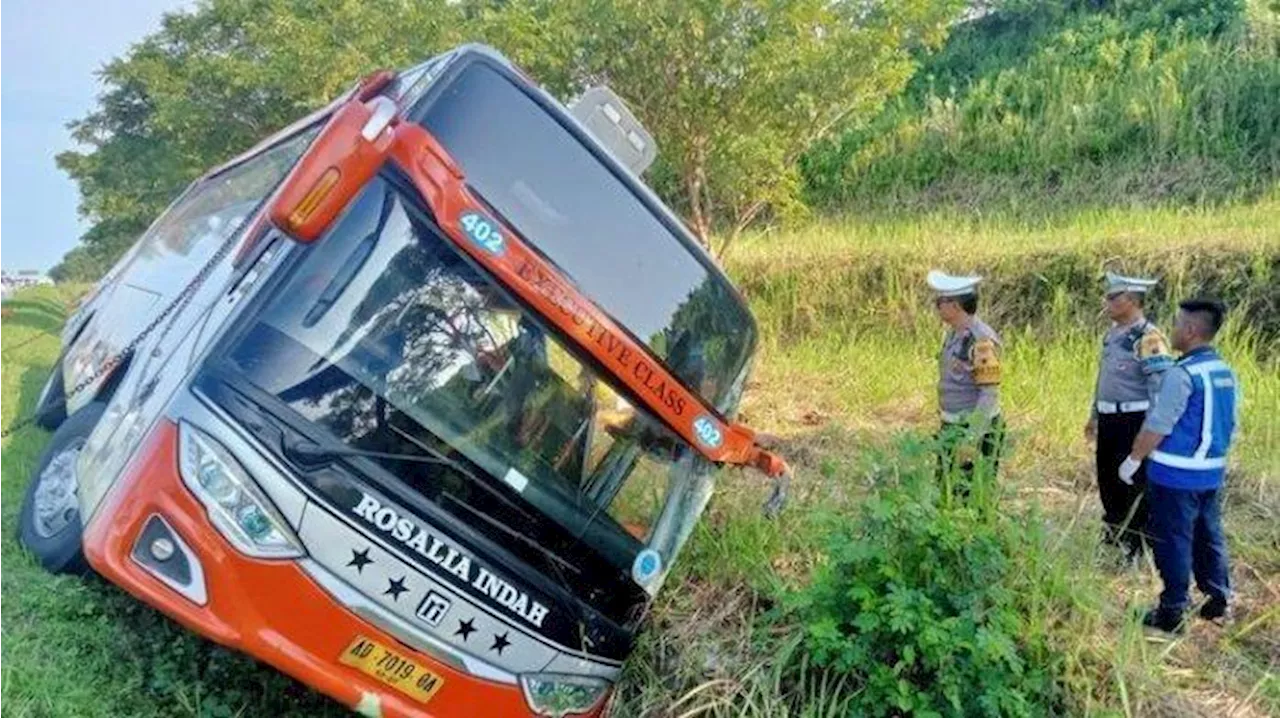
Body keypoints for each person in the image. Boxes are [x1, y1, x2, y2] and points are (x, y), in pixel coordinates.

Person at [1121, 298, 1237, 633]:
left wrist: (1133, 460)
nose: (1171, 330)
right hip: (1211, 471)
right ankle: (1217, 600)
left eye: (1176, 324)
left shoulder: (1181, 373)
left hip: (1175, 474)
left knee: (1173, 540)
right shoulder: (1223, 371)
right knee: (1208, 534)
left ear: (1190, 330)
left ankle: (1172, 611)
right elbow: (1230, 422)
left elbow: (1159, 424)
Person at [1084, 272, 1173, 560]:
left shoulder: (1149, 337)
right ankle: (1114, 536)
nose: (1107, 302)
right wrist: (1094, 414)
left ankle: (1136, 545)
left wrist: (1149, 431)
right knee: (1107, 478)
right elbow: (1103, 379)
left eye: (1113, 297)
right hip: (1110, 418)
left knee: (1133, 481)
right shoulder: (1112, 335)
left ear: (1133, 301)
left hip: (1134, 419)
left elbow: (1160, 388)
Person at [928, 270, 1004, 487]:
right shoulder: (955, 334)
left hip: (974, 430)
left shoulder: (980, 340)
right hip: (953, 426)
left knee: (972, 498)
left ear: (955, 305)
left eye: (940, 301)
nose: (937, 307)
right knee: (945, 492)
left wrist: (971, 439)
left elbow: (989, 393)